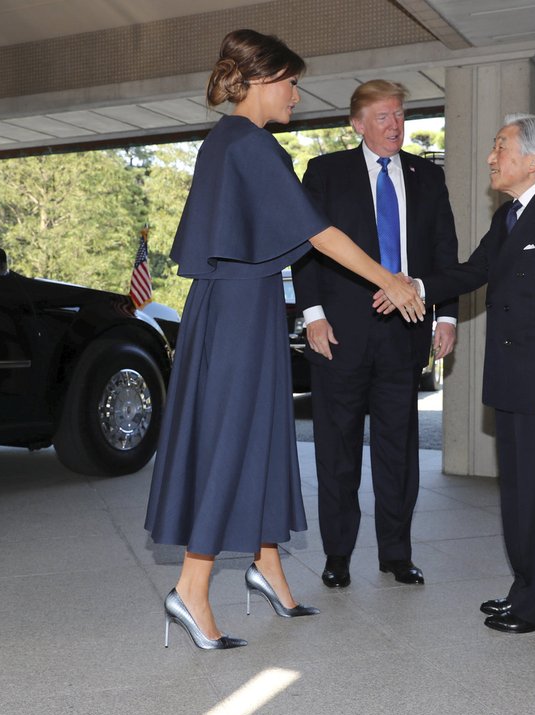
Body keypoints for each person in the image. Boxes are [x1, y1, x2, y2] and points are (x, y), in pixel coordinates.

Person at [143, 30, 425, 650]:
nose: (298, 95)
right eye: (292, 83)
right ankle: (191, 588)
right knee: (231, 439)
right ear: (264, 81)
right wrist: (390, 280)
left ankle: (267, 564)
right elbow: (318, 233)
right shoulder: (247, 144)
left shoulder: (238, 142)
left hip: (248, 303)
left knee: (266, 434)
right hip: (240, 309)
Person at [379, 114, 535, 632]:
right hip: (511, 377)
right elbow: (473, 271)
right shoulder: (510, 216)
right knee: (515, 492)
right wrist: (416, 285)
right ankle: (526, 588)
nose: (491, 158)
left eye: (500, 147)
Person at [292, 80, 459, 588]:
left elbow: (444, 251)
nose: (395, 126)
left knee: (398, 451)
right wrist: (313, 313)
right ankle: (337, 556)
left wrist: (446, 315)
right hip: (339, 334)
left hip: (404, 332)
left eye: (400, 116)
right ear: (357, 124)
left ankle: (396, 554)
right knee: (336, 451)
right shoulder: (325, 172)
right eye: (383, 117)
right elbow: (306, 247)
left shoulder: (427, 176)